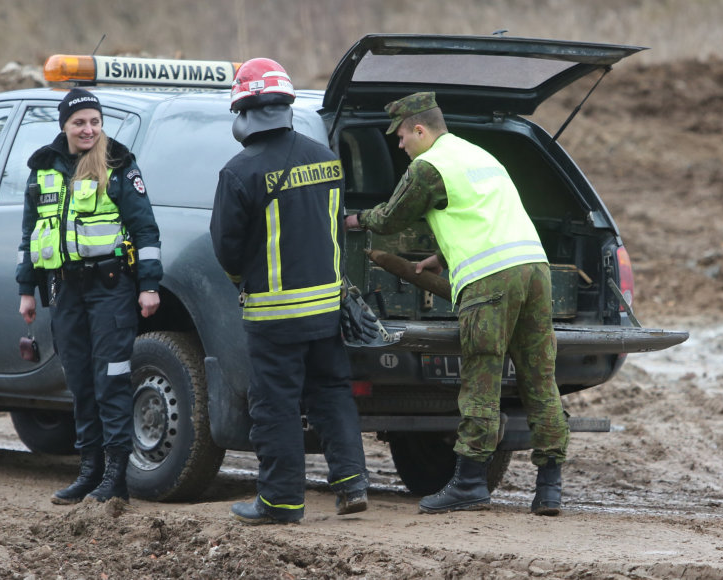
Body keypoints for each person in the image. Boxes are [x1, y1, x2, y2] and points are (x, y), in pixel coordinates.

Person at [344, 92, 570, 516]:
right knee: (540, 377)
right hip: (534, 270)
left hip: (491, 282)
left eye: (401, 137)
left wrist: (356, 220)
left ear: (419, 129)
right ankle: (550, 488)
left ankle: (468, 483)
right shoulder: (477, 154)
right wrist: (444, 255)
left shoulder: (428, 167)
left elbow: (393, 217)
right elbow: (487, 214)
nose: (399, 145)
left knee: (482, 380)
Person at [210, 58, 369, 525]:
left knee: (275, 404)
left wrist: (245, 285)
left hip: (275, 315)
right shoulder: (326, 160)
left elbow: (226, 249)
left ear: (243, 110)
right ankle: (352, 483)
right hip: (326, 308)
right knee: (333, 392)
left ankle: (280, 501)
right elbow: (338, 232)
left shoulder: (239, 172)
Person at [16, 88, 162, 505]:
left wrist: (149, 284)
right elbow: (30, 236)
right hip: (64, 290)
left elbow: (146, 231)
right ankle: (90, 471)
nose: (88, 129)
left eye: (95, 122)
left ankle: (115, 476)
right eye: (80, 122)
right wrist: (27, 289)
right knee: (80, 382)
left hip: (110, 287)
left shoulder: (118, 164)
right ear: (64, 125)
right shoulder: (43, 168)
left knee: (111, 378)